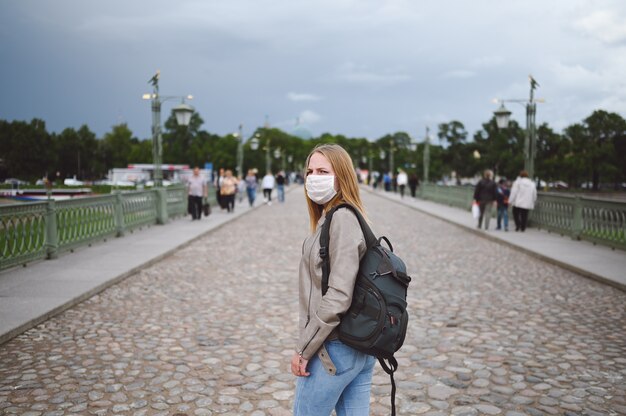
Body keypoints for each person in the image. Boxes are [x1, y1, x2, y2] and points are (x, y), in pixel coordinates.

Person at [291, 144, 374, 416]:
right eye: (310, 171)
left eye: (323, 171)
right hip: (356, 350)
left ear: (341, 176)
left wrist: (304, 349)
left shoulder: (342, 219)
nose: (314, 177)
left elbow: (339, 294)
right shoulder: (334, 217)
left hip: (334, 349)